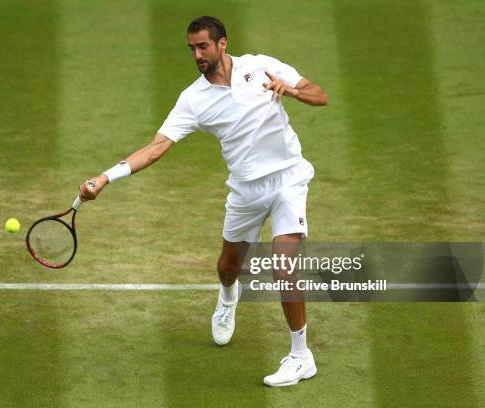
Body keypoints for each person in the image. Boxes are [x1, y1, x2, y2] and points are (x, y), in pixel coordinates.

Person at [79, 15, 328, 387]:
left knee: (283, 264)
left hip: (288, 179)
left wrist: (291, 91)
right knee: (228, 266)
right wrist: (104, 177)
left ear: (222, 44)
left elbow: (319, 95)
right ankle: (228, 298)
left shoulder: (262, 66)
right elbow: (156, 148)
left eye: (203, 46)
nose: (197, 54)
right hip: (245, 190)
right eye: (192, 48)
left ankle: (300, 355)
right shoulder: (193, 99)